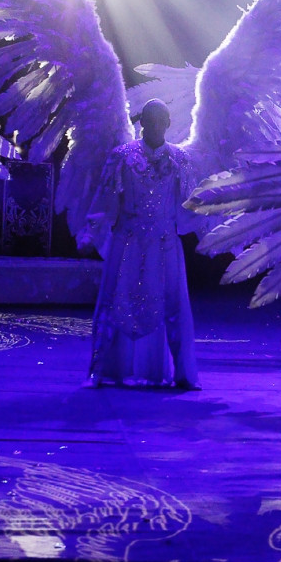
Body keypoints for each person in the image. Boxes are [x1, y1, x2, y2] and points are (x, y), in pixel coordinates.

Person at [83, 99, 200, 389]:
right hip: (128, 241)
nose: (156, 124)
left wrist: (209, 227)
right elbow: (105, 198)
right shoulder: (122, 157)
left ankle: (183, 373)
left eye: (161, 119)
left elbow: (192, 202)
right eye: (151, 118)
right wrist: (91, 231)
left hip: (165, 242)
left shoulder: (180, 159)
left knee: (173, 305)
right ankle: (97, 370)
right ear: (142, 122)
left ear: (169, 123)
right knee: (113, 301)